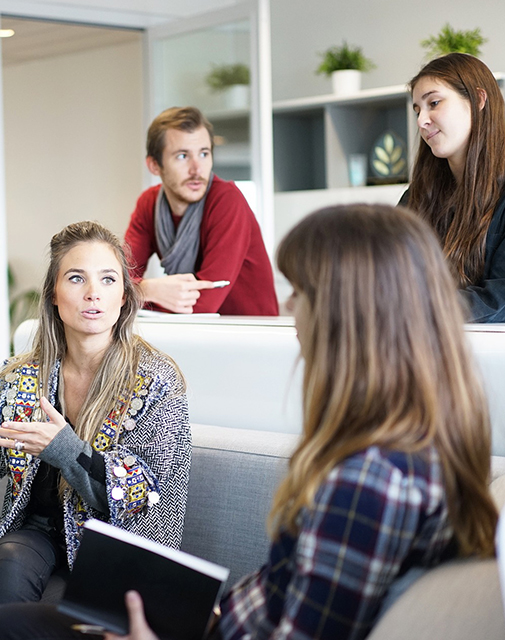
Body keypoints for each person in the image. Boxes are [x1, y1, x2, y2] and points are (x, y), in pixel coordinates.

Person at [0, 204, 497, 640]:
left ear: (350, 315)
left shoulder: (370, 482)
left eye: (301, 292)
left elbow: (162, 508)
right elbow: (286, 597)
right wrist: (211, 612)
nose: (290, 310)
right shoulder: (403, 453)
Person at [0, 221, 191, 605]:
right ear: (53, 294)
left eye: (107, 279)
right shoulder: (21, 375)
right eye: (76, 278)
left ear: (123, 295)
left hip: (118, 540)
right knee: (7, 569)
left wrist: (65, 448)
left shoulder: (156, 381)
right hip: (37, 532)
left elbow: (139, 495)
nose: (92, 294)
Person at [124, 106, 279, 316]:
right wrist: (148, 289)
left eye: (204, 154)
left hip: (249, 336)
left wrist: (134, 293)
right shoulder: (149, 204)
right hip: (194, 333)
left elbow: (203, 304)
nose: (197, 169)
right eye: (182, 156)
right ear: (154, 166)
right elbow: (116, 280)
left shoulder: (227, 201)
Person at [400, 52, 505, 322]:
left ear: (478, 100)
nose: (422, 120)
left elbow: (499, 298)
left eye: (433, 103)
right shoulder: (417, 195)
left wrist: (414, 310)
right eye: (417, 110)